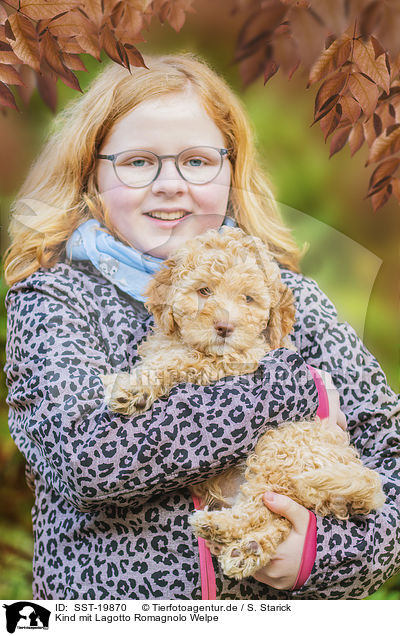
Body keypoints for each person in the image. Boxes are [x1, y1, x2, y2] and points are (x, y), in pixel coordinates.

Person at [4, 52, 400, 601]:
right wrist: (283, 391)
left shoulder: (291, 298)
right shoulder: (56, 300)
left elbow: (388, 447)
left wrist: (325, 554)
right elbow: (88, 465)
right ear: (90, 171)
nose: (170, 184)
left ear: (231, 170)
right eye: (138, 162)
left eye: (196, 161)